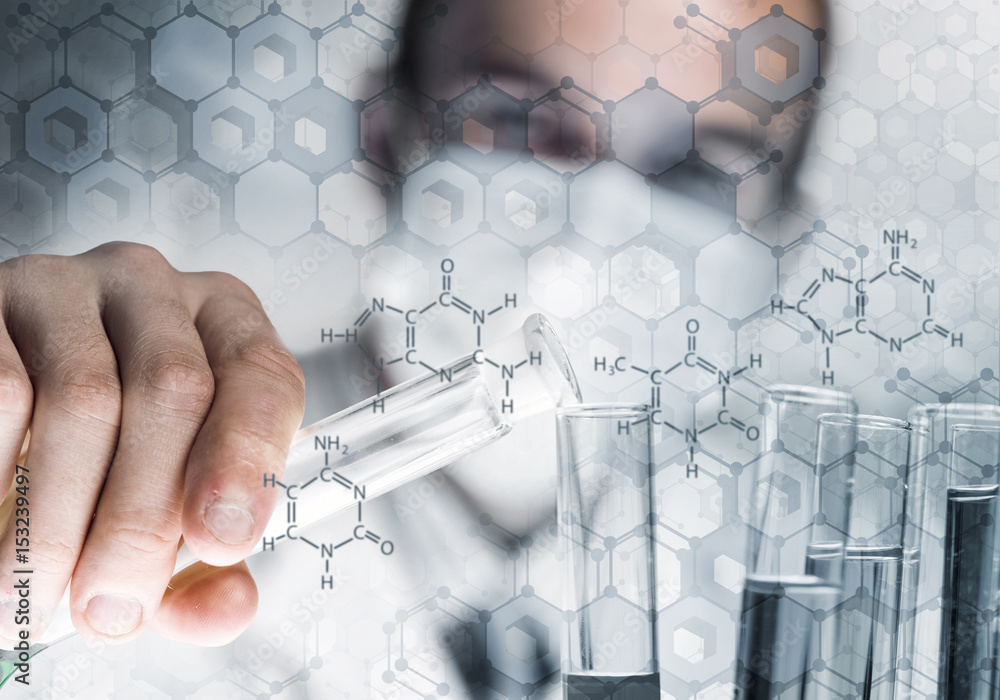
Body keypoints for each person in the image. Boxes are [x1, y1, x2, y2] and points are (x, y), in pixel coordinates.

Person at [0, 0, 828, 668]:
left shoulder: (825, 577)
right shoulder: (124, 501)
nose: (595, 233)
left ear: (782, 233)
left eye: (696, 171)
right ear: (387, 134)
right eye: (517, 126)